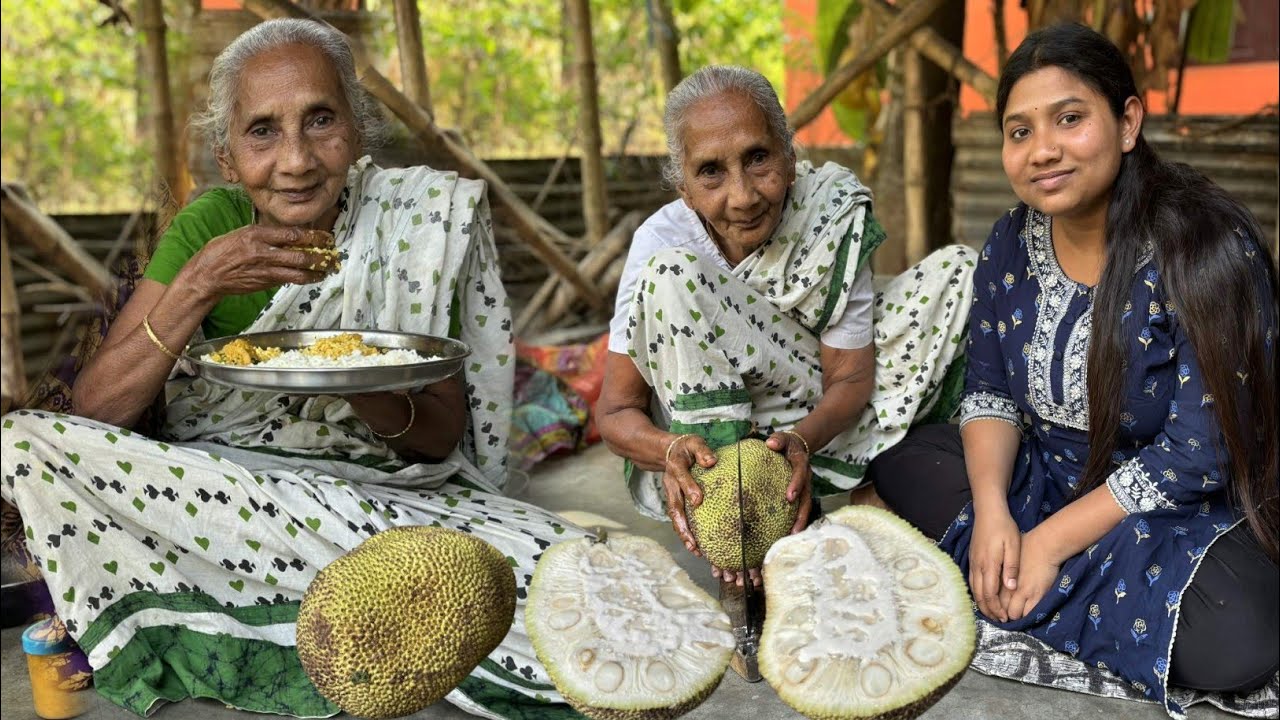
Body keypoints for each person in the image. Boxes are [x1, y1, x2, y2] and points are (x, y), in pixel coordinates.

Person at [1, 19, 589, 720]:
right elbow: (94, 421)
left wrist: (361, 383)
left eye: (320, 120)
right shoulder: (208, 229)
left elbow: (437, 439)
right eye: (262, 132)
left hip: (379, 498)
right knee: (23, 442)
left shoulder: (417, 226)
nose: (296, 160)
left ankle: (289, 595)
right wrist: (197, 285)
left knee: (561, 573)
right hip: (228, 490)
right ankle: (330, 598)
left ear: (359, 130)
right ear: (227, 157)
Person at [865, 23, 1279, 717]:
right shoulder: (1008, 241)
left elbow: (1195, 457)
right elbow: (990, 388)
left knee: (1241, 635)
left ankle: (1001, 581)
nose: (1042, 150)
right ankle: (1011, 566)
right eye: (1019, 131)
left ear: (1127, 123)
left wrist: (1050, 546)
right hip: (1045, 481)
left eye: (1069, 118)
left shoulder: (1207, 248)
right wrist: (995, 515)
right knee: (904, 460)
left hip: (1170, 515)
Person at [596, 65, 976, 585]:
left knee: (958, 274)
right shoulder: (661, 243)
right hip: (713, 430)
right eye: (711, 172)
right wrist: (669, 451)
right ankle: (738, 519)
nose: (744, 195)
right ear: (683, 187)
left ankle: (862, 479)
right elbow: (616, 411)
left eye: (758, 158)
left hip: (812, 411)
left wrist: (799, 440)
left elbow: (848, 377)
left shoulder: (830, 213)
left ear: (790, 156)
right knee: (673, 275)